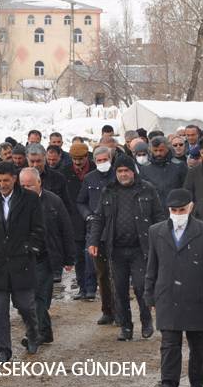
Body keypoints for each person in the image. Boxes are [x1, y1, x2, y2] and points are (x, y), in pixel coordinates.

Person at [146, 189, 203, 387]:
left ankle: (197, 384)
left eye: (182, 209)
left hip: (197, 294)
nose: (178, 213)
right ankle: (169, 385)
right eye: (174, 210)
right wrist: (149, 294)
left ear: (191, 207)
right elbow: (151, 266)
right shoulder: (156, 231)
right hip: (167, 294)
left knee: (198, 344)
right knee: (169, 343)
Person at [88, 155, 165, 341]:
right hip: (116, 249)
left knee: (140, 286)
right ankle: (126, 326)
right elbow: (99, 218)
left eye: (126, 171)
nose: (123, 174)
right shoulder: (108, 191)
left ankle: (146, 322)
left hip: (140, 248)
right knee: (120, 290)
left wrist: (161, 240)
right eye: (120, 171)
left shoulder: (147, 189)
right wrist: (93, 241)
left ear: (133, 171)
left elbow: (159, 216)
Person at [0, 161, 45, 362]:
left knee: (25, 306)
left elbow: (39, 229)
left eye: (6, 180)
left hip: (22, 261)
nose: (2, 184)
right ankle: (3, 350)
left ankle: (33, 333)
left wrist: (30, 248)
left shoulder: (30, 199)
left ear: (14, 179)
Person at [19, 168, 74, 345]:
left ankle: (34, 334)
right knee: (26, 298)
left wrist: (69, 258)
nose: (26, 189)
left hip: (46, 257)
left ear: (39, 183)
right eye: (23, 185)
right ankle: (45, 332)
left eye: (30, 185)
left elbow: (65, 229)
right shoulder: (15, 202)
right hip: (23, 257)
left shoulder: (53, 201)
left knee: (39, 297)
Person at [78, 147, 118, 323]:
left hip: (117, 230)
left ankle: (121, 312)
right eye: (99, 160)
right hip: (96, 231)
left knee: (117, 273)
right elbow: (80, 201)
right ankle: (107, 310)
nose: (103, 163)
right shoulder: (89, 178)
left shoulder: (119, 175)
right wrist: (88, 215)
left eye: (105, 159)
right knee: (102, 273)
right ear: (94, 161)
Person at [61, 142, 96, 301]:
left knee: (91, 256)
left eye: (81, 158)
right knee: (79, 258)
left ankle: (91, 288)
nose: (78, 162)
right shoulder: (66, 172)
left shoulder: (95, 169)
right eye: (75, 159)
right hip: (73, 220)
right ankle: (82, 287)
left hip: (93, 217)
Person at [140, 136, 188, 213]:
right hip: (155, 210)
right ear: (151, 150)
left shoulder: (179, 165)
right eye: (155, 150)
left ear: (167, 149)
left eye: (161, 150)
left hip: (176, 208)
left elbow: (186, 188)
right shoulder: (145, 169)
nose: (158, 153)